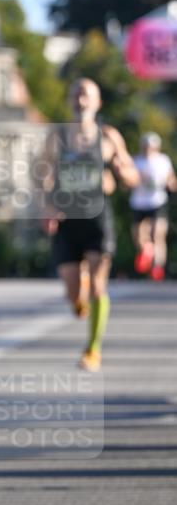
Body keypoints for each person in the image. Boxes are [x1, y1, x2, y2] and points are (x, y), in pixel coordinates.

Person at [43, 78, 138, 372]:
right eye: (76, 94)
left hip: (97, 218)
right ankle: (78, 293)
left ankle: (93, 350)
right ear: (69, 100)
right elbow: (41, 174)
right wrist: (47, 205)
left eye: (86, 95)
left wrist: (122, 171)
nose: (80, 99)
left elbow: (133, 177)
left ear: (98, 103)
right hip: (68, 220)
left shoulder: (108, 136)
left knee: (98, 286)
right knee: (74, 295)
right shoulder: (57, 136)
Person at [130, 132, 176, 281]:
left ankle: (157, 267)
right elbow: (128, 180)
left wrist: (170, 184)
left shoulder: (163, 160)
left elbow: (171, 179)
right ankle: (147, 250)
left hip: (157, 202)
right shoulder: (136, 161)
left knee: (158, 234)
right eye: (146, 146)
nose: (148, 149)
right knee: (138, 235)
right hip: (139, 202)